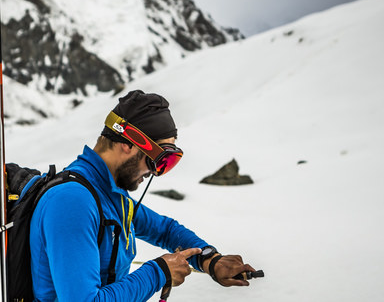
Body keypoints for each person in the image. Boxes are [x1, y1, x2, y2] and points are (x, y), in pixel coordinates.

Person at [29, 90, 257, 301]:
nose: (156, 172)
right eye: (160, 159)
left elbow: (166, 230)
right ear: (130, 143)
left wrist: (210, 259)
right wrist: (158, 273)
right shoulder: (73, 202)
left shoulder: (109, 194)